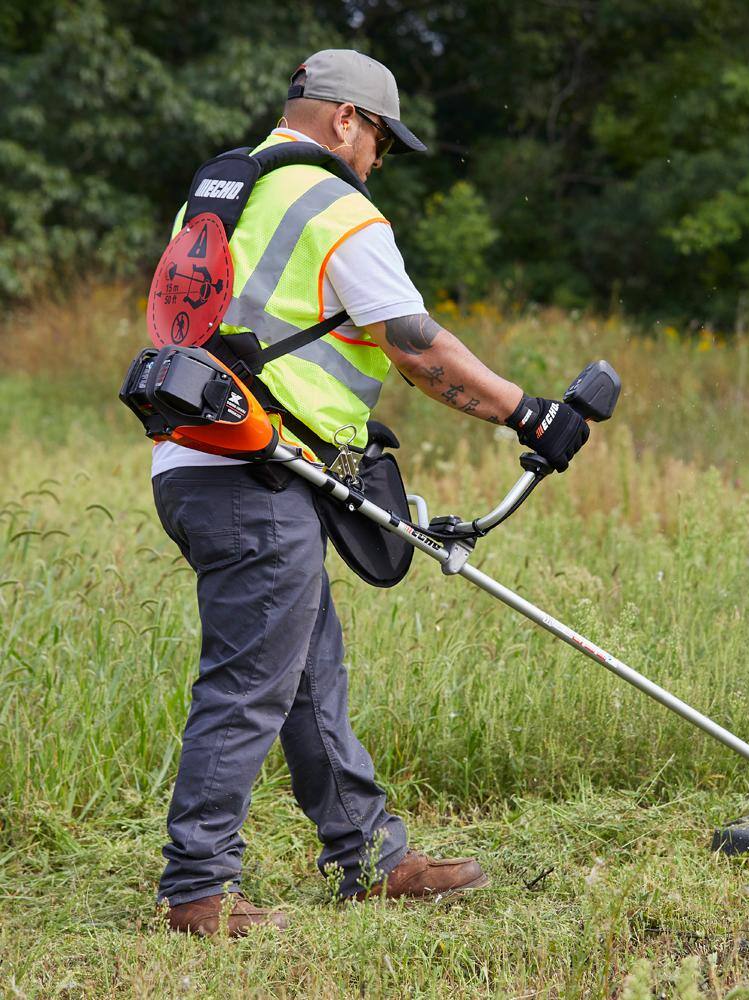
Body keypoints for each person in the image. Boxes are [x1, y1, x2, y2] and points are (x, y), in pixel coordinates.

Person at [152, 49, 589, 937]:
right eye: (381, 139)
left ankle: (368, 859)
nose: (378, 160)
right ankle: (197, 891)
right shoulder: (332, 204)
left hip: (208, 460)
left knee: (308, 673)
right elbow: (415, 346)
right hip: (252, 472)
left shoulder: (225, 188)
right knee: (248, 685)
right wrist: (529, 414)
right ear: (346, 118)